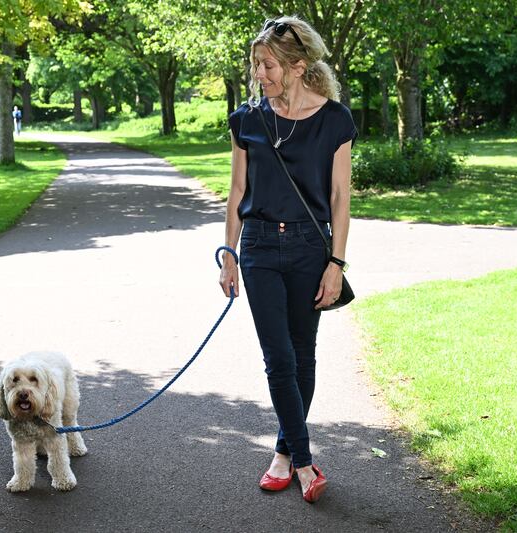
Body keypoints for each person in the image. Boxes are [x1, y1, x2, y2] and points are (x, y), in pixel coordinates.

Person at [219, 15, 356, 504]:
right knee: (278, 359)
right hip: (257, 247)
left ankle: (283, 452)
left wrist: (336, 263)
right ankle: (303, 461)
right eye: (256, 64)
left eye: (268, 64)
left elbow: (340, 198)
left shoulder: (335, 120)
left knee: (302, 356)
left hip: (308, 248)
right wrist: (229, 254)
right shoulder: (246, 120)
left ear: (298, 66)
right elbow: (237, 191)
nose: (260, 73)